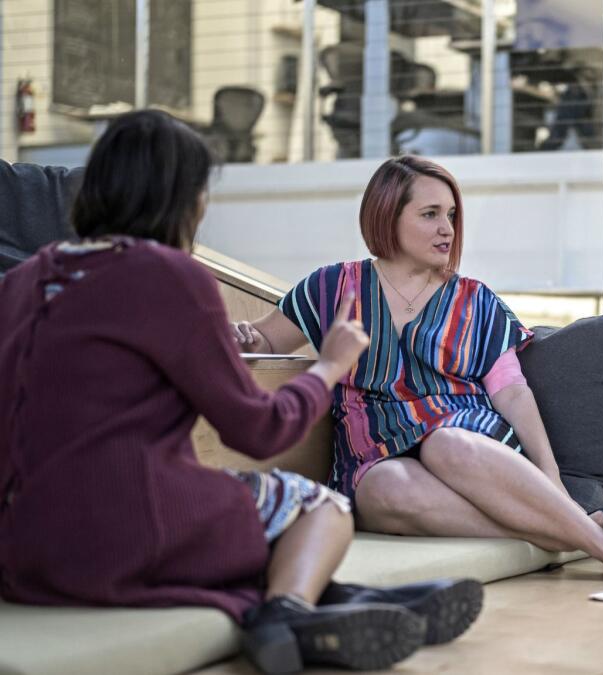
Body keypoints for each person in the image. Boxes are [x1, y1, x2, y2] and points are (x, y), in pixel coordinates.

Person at [0, 111, 480, 675]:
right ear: (186, 198)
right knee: (318, 505)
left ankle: (343, 602)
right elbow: (259, 430)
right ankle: (287, 617)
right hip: (120, 533)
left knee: (239, 514)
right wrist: (327, 368)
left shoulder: (22, 280)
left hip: (25, 544)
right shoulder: (174, 278)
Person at [234, 155, 603, 581]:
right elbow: (266, 340)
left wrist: (552, 480)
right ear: (388, 216)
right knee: (381, 488)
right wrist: (245, 339)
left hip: (468, 442)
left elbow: (513, 393)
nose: (448, 229)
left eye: (452, 215)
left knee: (446, 443)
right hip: (374, 450)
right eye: (430, 214)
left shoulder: (476, 299)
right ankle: (572, 532)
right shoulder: (332, 287)